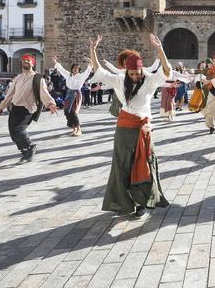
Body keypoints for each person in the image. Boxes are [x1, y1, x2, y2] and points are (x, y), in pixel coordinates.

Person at [89, 34, 172, 217]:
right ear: (127, 71)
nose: (135, 77)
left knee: (144, 164)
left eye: (137, 73)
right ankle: (124, 203)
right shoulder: (119, 80)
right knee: (121, 166)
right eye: (132, 74)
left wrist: (160, 50)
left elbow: (166, 71)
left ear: (142, 70)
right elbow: (99, 71)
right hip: (124, 128)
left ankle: (142, 202)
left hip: (144, 128)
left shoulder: (150, 80)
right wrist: (93, 50)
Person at [0, 55, 58, 162]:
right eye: (24, 60)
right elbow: (10, 94)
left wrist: (50, 104)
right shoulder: (18, 78)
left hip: (28, 108)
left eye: (28, 60)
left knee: (18, 130)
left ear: (33, 63)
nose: (25, 62)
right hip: (15, 108)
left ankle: (30, 146)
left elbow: (43, 92)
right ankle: (25, 151)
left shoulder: (38, 78)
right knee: (13, 133)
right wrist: (0, 107)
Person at [52, 56, 93, 136]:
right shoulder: (68, 75)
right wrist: (55, 62)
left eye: (77, 68)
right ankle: (74, 129)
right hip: (68, 94)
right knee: (67, 111)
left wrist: (90, 62)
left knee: (74, 112)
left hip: (76, 94)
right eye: (74, 68)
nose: (75, 69)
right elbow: (61, 69)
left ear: (79, 70)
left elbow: (88, 70)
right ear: (72, 69)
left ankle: (79, 129)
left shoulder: (81, 76)